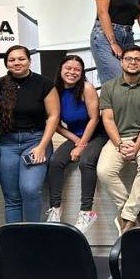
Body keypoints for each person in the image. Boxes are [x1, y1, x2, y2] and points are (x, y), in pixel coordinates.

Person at [96, 45, 140, 235]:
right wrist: (120, 144)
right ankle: (132, 214)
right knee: (104, 171)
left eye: (138, 59)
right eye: (129, 59)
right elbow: (107, 119)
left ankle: (127, 216)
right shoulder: (109, 87)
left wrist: (136, 145)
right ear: (121, 61)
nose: (133, 62)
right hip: (118, 138)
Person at [0, 45, 59, 223]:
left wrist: (42, 147)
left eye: (21, 59)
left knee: (30, 189)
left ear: (29, 61)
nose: (17, 62)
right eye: (12, 60)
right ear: (7, 64)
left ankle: (32, 237)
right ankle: (13, 242)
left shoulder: (44, 83)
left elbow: (54, 115)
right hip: (7, 143)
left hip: (35, 140)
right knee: (12, 198)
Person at [45, 55, 107, 233]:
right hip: (75, 135)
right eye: (68, 68)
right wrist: (75, 140)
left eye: (77, 70)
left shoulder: (86, 88)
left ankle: (86, 211)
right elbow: (55, 124)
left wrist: (81, 145)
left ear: (82, 73)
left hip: (97, 134)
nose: (72, 72)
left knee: (86, 161)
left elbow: (95, 119)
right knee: (55, 161)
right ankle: (55, 209)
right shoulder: (54, 91)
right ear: (61, 70)